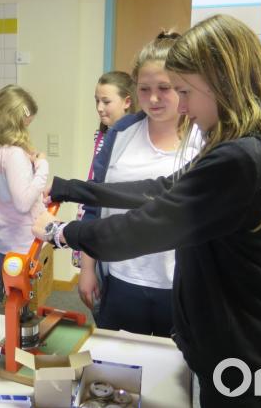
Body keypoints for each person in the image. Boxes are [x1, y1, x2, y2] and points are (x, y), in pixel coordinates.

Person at [33, 15, 261, 407]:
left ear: (220, 79)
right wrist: (65, 187)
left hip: (244, 351)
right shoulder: (240, 145)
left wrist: (60, 233)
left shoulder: (241, 157)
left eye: (183, 91)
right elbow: (160, 189)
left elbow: (149, 226)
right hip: (239, 341)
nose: (180, 106)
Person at [77, 32, 201, 337]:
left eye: (164, 88)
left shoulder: (204, 138)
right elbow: (97, 201)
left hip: (179, 284)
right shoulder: (120, 133)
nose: (154, 98)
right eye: (145, 89)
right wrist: (88, 268)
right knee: (115, 366)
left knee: (173, 374)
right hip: (120, 278)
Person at [0, 85, 48, 313]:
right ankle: (17, 347)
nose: (27, 128)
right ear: (16, 119)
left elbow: (6, 190)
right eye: (27, 122)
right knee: (20, 302)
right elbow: (23, 203)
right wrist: (41, 168)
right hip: (19, 242)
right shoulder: (14, 154)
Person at [71, 71, 137, 269]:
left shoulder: (133, 137)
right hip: (95, 212)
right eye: (97, 101)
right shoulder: (101, 134)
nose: (99, 108)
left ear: (127, 102)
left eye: (106, 102)